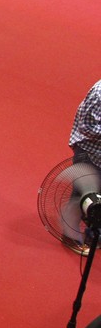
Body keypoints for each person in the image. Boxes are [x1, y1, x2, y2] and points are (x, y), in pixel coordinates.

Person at [68, 80, 101, 255]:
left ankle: (95, 233)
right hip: (89, 152)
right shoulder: (99, 94)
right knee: (81, 194)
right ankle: (70, 234)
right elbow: (87, 128)